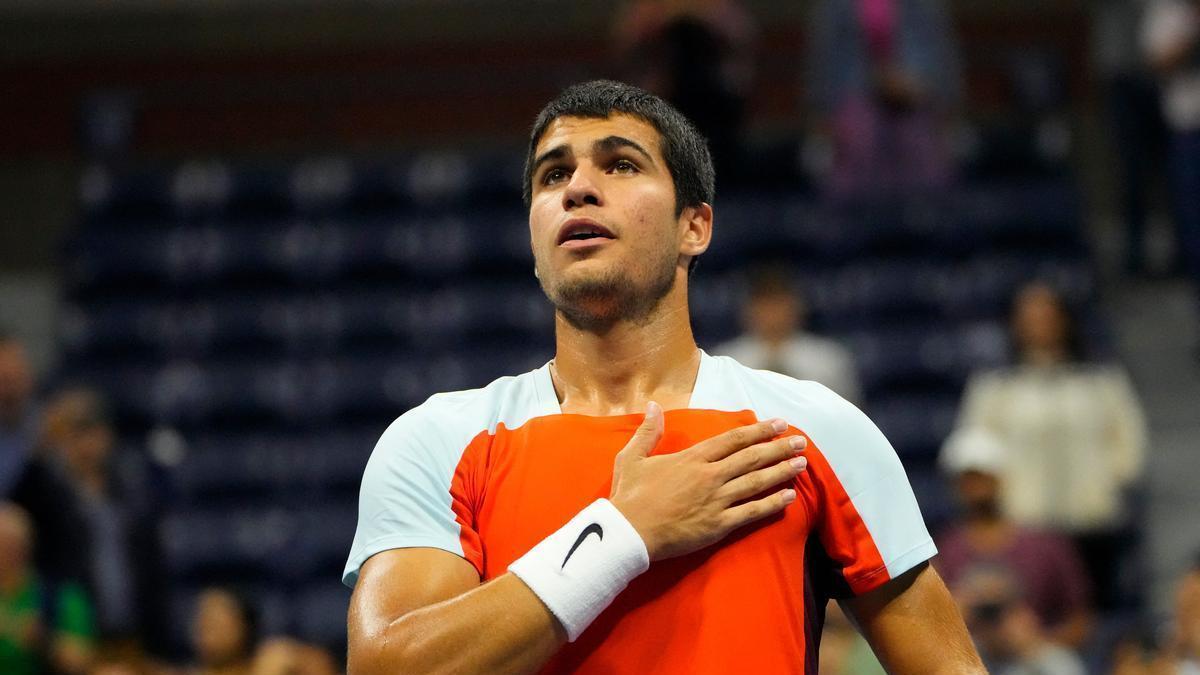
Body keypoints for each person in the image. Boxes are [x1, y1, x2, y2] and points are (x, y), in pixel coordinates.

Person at [343, 80, 983, 674]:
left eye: (620, 164)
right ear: (535, 239)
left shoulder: (811, 430)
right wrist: (623, 534)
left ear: (694, 226)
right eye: (554, 174)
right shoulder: (437, 438)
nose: (578, 189)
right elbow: (390, 666)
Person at [954, 281, 1148, 609]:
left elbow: (1130, 443)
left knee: (1093, 612)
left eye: (1047, 316)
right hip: (1024, 526)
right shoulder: (994, 386)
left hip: (1093, 522)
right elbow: (975, 449)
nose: (1038, 326)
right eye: (1029, 317)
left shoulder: (1101, 380)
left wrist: (1107, 482)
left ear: (1064, 320)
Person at [935, 428, 1094, 649]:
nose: (976, 486)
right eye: (968, 478)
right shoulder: (943, 552)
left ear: (1000, 477)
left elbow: (1080, 621)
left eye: (983, 476)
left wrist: (1036, 643)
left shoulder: (1046, 547)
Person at [42, 388, 168, 658]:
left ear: (107, 437)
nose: (87, 446)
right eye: (77, 435)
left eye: (92, 433)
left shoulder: (133, 494)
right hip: (80, 637)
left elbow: (151, 564)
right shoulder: (49, 496)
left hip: (136, 632)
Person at [805, 0, 962, 199]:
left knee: (924, 168)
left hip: (914, 102)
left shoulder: (924, 6)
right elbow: (824, 65)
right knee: (858, 158)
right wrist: (824, 119)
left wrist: (918, 84)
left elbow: (941, 56)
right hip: (855, 104)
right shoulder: (834, 7)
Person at [715, 265, 862, 404]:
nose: (772, 314)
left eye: (779, 304)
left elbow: (849, 417)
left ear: (797, 307)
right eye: (764, 305)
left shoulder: (828, 359)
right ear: (748, 310)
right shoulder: (724, 362)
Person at [0, 501, 96, 675]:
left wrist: (43, 639)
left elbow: (82, 661)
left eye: (12, 545)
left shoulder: (60, 596)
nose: (6, 554)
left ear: (27, 548)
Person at [188, 588, 258, 675]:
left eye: (216, 623)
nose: (206, 633)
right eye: (203, 623)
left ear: (244, 627)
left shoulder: (267, 665)